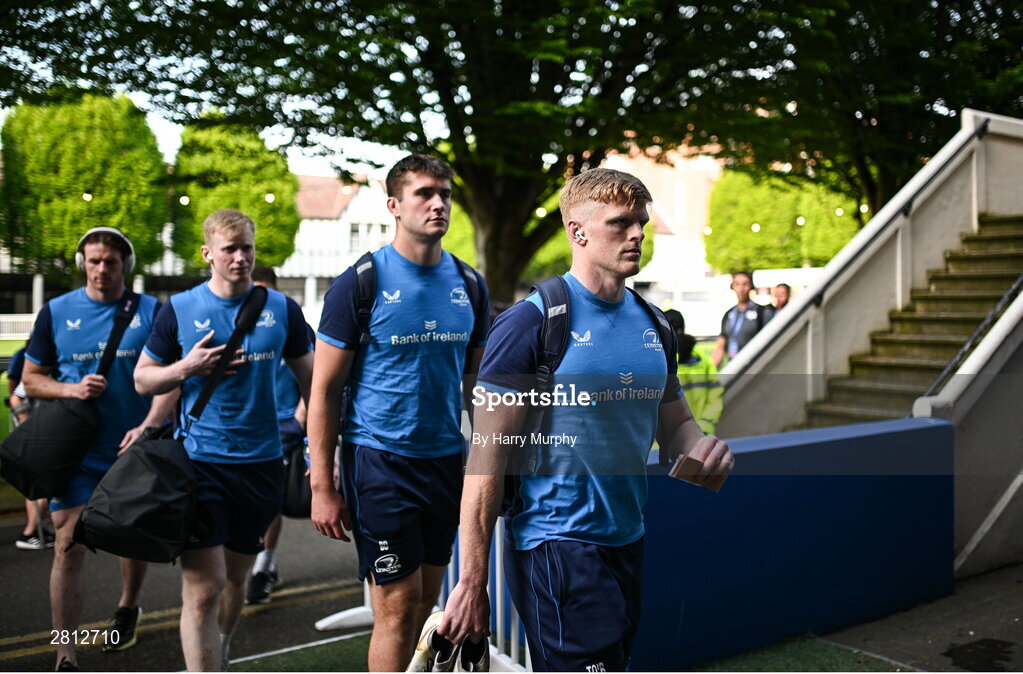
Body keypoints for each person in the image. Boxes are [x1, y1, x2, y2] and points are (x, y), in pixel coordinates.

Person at [438, 168, 734, 672]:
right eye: (621, 223)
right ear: (578, 232)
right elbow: (485, 459)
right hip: (557, 543)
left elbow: (676, 424)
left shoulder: (655, 324)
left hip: (627, 537)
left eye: (640, 221)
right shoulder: (533, 322)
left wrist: (700, 445)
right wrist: (472, 583)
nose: (638, 233)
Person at [307, 154, 489, 671]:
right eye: (425, 194)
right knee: (397, 603)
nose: (438, 203)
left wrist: (493, 460)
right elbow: (322, 391)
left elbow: (479, 387)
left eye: (446, 194)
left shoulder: (470, 285)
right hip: (380, 463)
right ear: (394, 205)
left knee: (424, 603)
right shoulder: (359, 282)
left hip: (444, 462)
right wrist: (323, 484)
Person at [134, 209, 314, 671]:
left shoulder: (281, 309)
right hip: (201, 464)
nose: (240, 258)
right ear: (207, 253)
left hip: (261, 465)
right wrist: (186, 368)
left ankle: (222, 647)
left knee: (235, 581)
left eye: (247, 248)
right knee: (203, 589)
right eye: (229, 249)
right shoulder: (181, 308)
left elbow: (315, 386)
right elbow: (144, 379)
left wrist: (322, 448)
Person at [22, 227, 178, 671]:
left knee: (130, 536)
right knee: (66, 543)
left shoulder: (151, 312)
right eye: (93, 261)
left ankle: (128, 606)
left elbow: (174, 377)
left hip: (133, 447)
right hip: (74, 450)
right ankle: (65, 652)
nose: (101, 270)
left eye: (110, 261)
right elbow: (31, 378)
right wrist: (70, 390)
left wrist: (149, 425)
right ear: (82, 264)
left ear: (124, 266)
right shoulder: (56, 311)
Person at [245, 265, 313, 605]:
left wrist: (302, 415)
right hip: (243, 428)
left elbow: (317, 373)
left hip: (285, 425)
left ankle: (264, 566)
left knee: (272, 499)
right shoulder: (235, 322)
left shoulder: (290, 321)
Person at [7, 338, 55, 550]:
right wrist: (26, 425)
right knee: (45, 483)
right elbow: (17, 397)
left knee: (42, 483)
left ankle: (34, 530)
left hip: (48, 430)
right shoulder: (40, 370)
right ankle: (30, 531)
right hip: (41, 432)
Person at [664, 309, 723, 436]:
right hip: (701, 436)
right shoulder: (702, 357)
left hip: (665, 445)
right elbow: (715, 395)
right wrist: (705, 426)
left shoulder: (660, 359)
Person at [711, 271, 774, 368]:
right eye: (737, 284)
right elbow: (720, 346)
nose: (741, 288)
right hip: (733, 367)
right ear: (733, 287)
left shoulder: (763, 312)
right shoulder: (729, 314)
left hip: (755, 368)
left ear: (751, 286)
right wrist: (712, 371)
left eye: (745, 284)